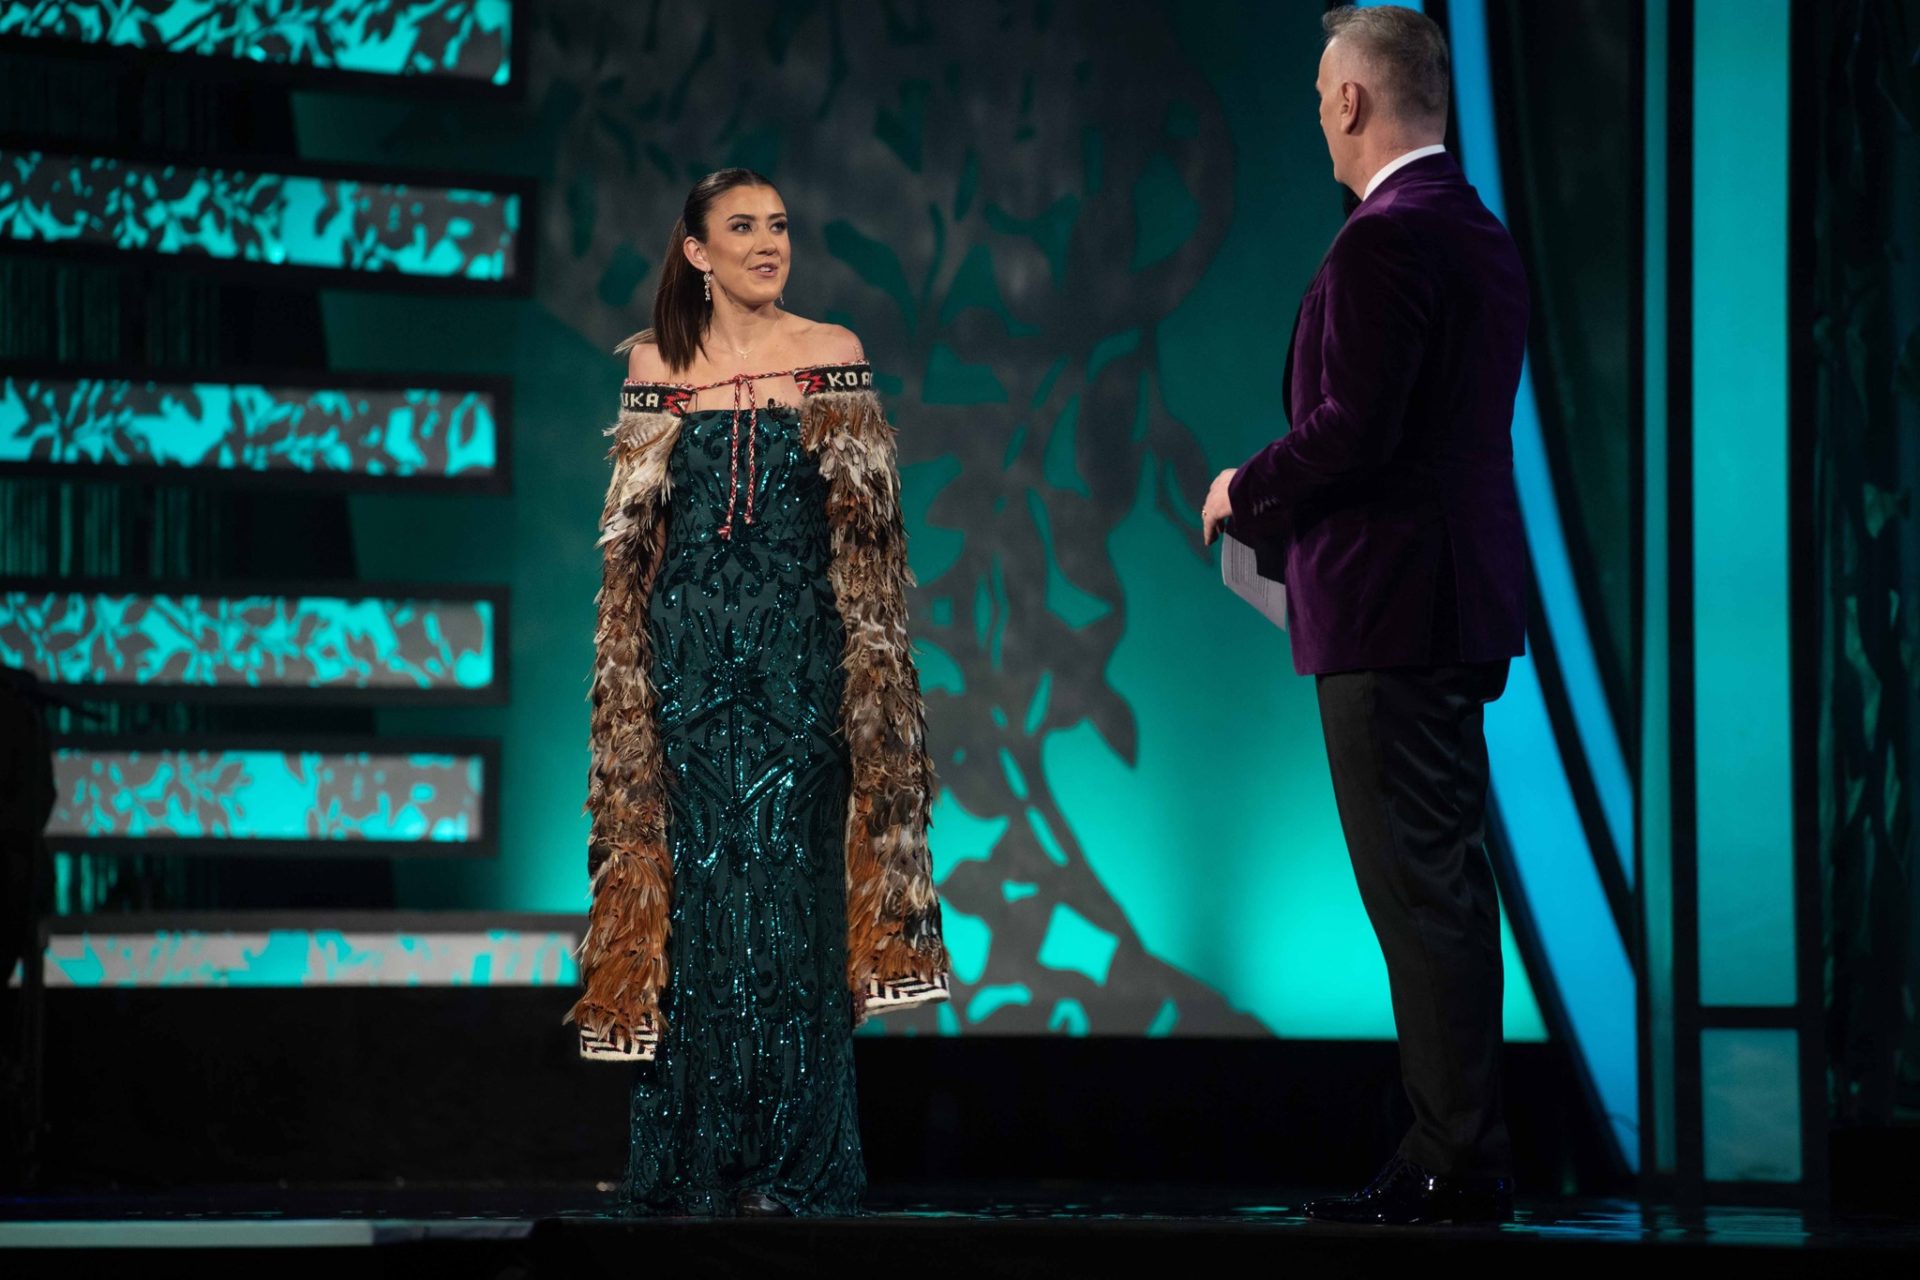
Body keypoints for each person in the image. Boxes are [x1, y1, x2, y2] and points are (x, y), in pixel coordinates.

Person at [567, 168, 950, 1217]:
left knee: (790, 906)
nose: (767, 241)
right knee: (695, 909)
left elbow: (871, 546)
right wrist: (630, 693)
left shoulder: (831, 355)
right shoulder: (656, 363)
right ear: (696, 249)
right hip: (684, 675)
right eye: (742, 226)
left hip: (802, 674)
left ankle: (796, 1166)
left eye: (778, 223)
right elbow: (630, 553)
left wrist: (870, 700)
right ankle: (693, 1164)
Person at [1201, 5, 1528, 1226]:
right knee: (1437, 880)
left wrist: (1245, 486)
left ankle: (1457, 1153)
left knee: (1421, 886)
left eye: (1322, 99)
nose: (1320, 123)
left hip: (1395, 613)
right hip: (1440, 605)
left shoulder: (1388, 241)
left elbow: (1359, 429)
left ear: (1351, 101)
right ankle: (1451, 1140)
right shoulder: (1474, 229)